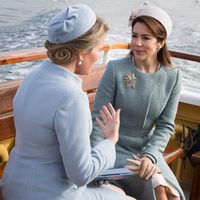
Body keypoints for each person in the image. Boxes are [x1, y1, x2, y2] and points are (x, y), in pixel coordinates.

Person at [1, 4, 135, 200]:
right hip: (49, 194)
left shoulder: (32, 77)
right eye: (99, 48)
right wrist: (110, 140)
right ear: (82, 52)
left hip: (13, 186)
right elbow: (81, 174)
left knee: (118, 192)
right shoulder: (71, 97)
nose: (99, 56)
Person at [90, 5, 186, 200]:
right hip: (114, 148)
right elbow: (99, 119)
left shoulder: (173, 77)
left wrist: (150, 156)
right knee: (158, 187)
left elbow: (165, 126)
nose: (137, 43)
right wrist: (93, 162)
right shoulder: (115, 69)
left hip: (147, 150)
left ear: (161, 43)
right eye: (134, 35)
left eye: (146, 37)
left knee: (172, 194)